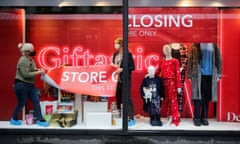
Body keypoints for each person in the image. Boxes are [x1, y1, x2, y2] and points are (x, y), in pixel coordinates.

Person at [10, 43, 49, 127]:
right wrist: (39, 72)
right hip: (21, 84)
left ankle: (40, 119)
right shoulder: (22, 60)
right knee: (21, 103)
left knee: (36, 101)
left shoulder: (30, 59)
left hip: (30, 85)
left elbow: (32, 69)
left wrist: (38, 69)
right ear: (27, 52)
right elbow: (26, 74)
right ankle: (13, 119)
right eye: (32, 49)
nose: (34, 50)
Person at [188, 43, 222, 126]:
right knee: (197, 97)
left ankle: (204, 117)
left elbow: (219, 60)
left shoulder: (214, 46)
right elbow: (190, 61)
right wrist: (189, 75)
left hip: (210, 75)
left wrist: (219, 74)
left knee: (206, 98)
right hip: (197, 75)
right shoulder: (195, 45)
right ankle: (196, 118)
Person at [111, 37, 136, 126]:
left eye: (116, 43)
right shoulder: (115, 54)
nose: (115, 45)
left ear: (121, 44)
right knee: (118, 97)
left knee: (127, 98)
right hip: (117, 80)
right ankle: (119, 116)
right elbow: (114, 65)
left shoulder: (128, 54)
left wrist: (122, 69)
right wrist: (113, 66)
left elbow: (132, 67)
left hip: (125, 79)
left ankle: (131, 117)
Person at [157, 44, 182, 127]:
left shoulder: (175, 61)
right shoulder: (162, 61)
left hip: (172, 82)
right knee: (166, 101)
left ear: (170, 50)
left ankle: (175, 120)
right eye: (165, 49)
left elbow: (178, 74)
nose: (166, 50)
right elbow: (158, 71)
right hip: (164, 83)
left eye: (167, 49)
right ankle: (169, 117)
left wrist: (179, 86)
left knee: (173, 101)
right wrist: (150, 74)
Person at [170, 43, 188, 113]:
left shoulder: (183, 47)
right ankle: (172, 112)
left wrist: (182, 67)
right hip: (170, 72)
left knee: (180, 91)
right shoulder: (169, 46)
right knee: (171, 92)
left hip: (180, 72)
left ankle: (178, 112)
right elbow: (165, 58)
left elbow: (186, 58)